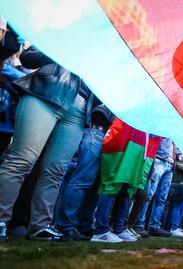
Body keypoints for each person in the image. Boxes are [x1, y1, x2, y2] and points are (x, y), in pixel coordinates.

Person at [0, 47, 96, 241]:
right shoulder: (62, 31)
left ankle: (40, 225)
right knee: (22, 159)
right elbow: (27, 58)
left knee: (56, 170)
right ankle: (1, 219)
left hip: (79, 109)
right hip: (47, 92)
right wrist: (61, 50)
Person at [91, 119, 161, 243]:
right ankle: (100, 230)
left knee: (127, 189)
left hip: (139, 144)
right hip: (126, 139)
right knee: (113, 184)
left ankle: (119, 228)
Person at [54, 105, 114, 241]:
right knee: (81, 182)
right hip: (96, 132)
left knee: (94, 187)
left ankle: (83, 226)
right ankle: (65, 226)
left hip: (107, 137)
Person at [132, 137, 175, 238]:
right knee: (149, 195)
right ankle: (139, 225)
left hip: (170, 164)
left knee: (162, 198)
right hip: (159, 158)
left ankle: (154, 226)